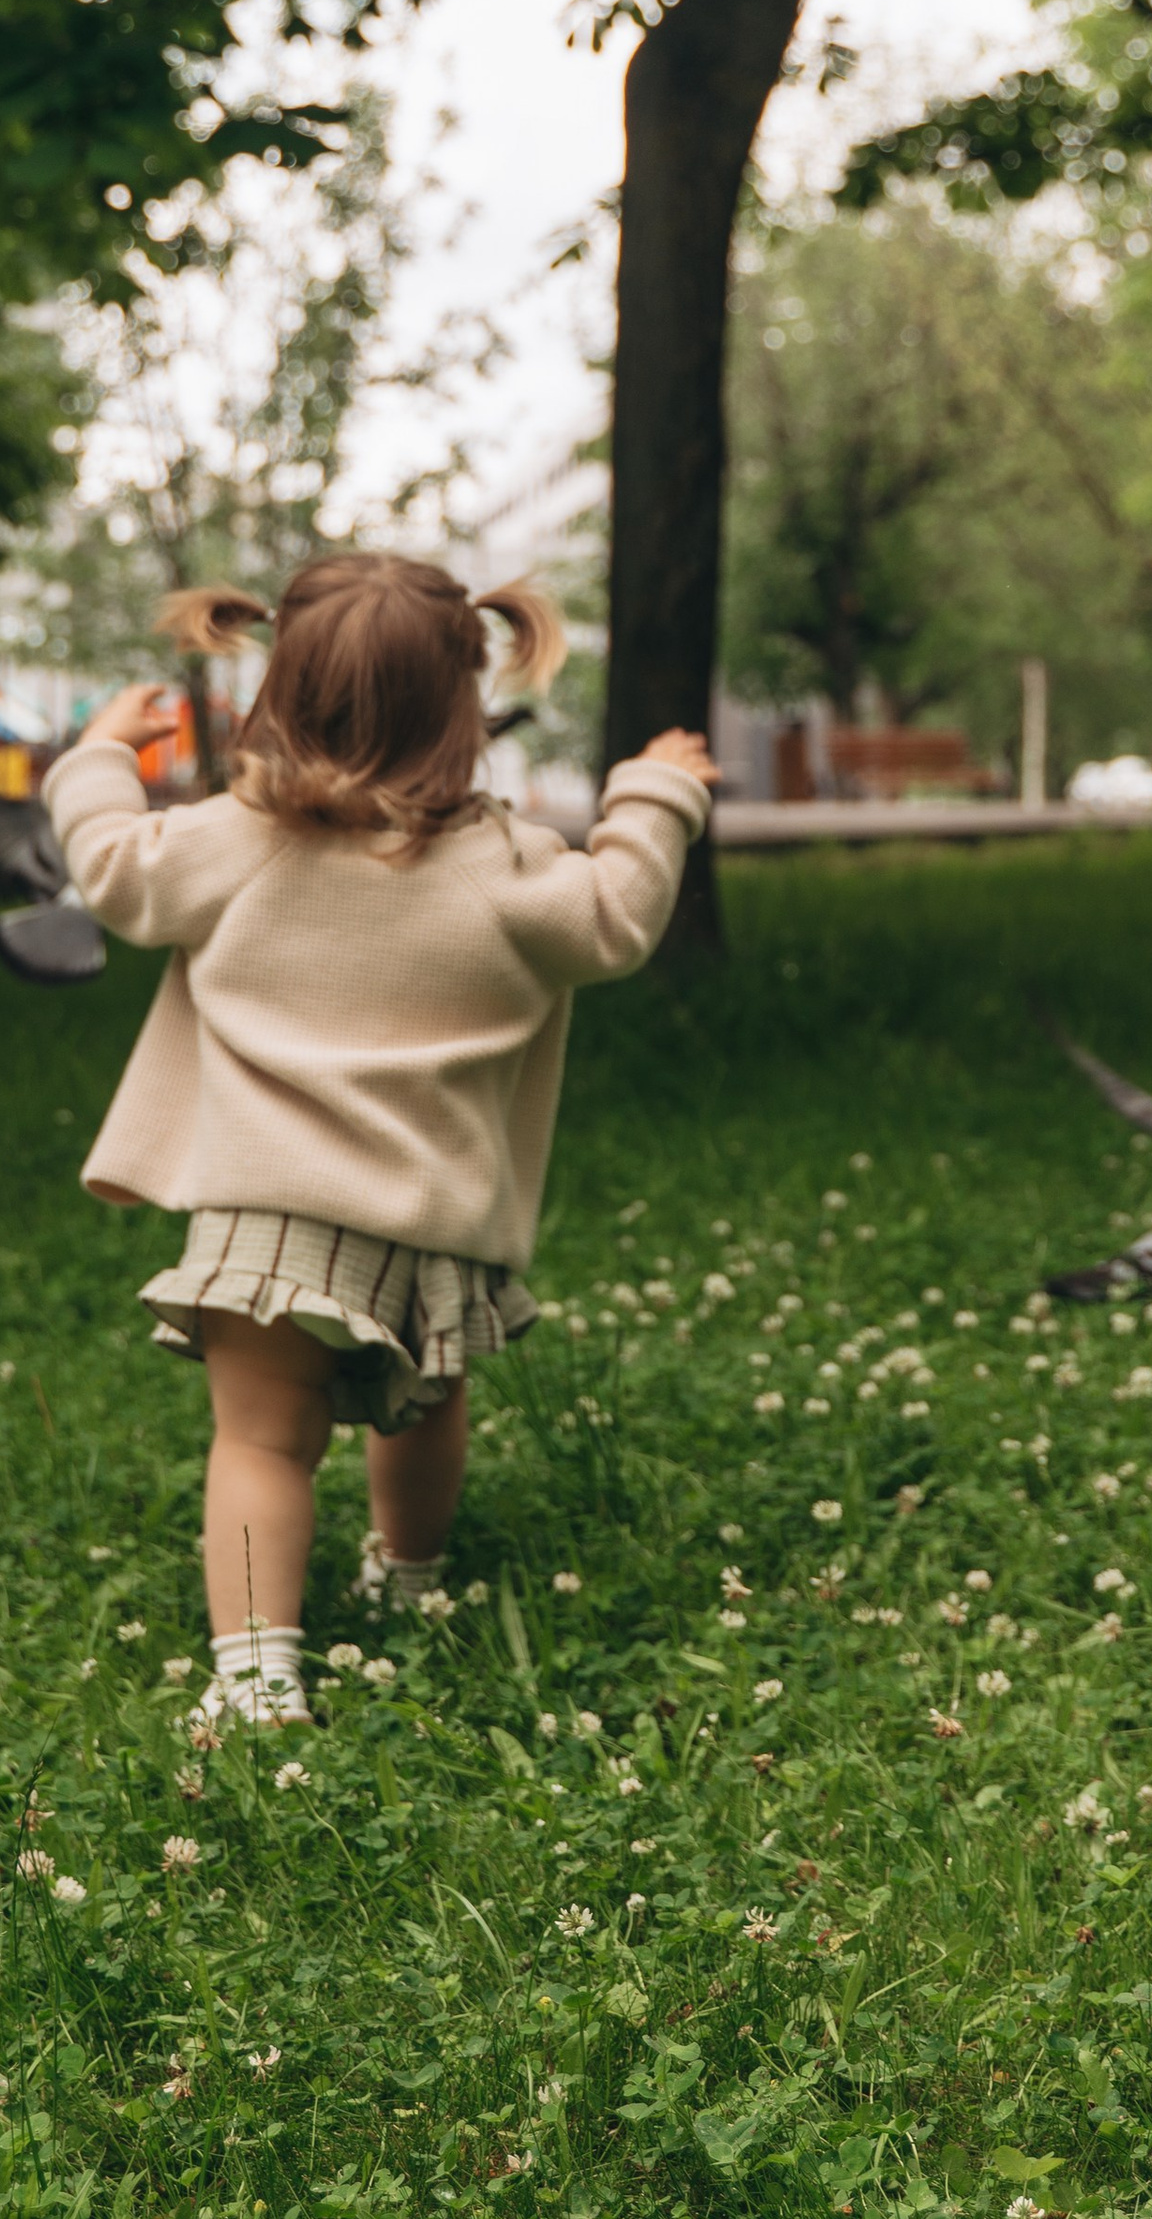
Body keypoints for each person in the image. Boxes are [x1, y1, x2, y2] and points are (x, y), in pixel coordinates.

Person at [45, 554, 717, 1725]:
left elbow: (111, 868)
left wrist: (105, 752)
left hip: (260, 1212)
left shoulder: (230, 839)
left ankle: (257, 1677)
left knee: (261, 1439)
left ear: (277, 691)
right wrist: (653, 796)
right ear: (467, 700)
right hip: (429, 1212)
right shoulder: (508, 866)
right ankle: (409, 1576)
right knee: (420, 1408)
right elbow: (616, 921)